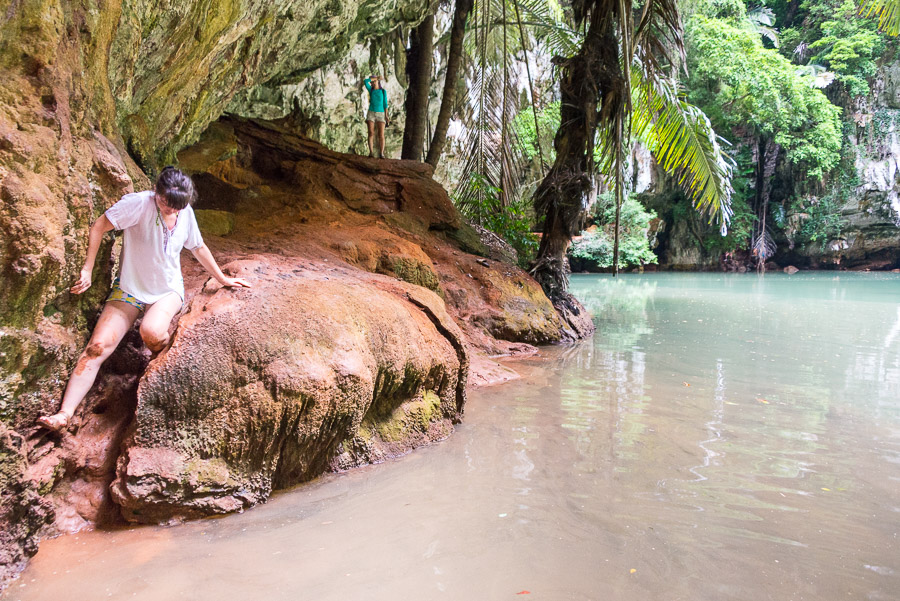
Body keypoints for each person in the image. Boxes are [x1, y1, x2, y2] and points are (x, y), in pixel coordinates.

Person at [36, 167, 251, 432]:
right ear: (156, 192)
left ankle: (160, 364)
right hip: (129, 288)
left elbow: (197, 246)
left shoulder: (184, 213)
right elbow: (99, 226)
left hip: (166, 289)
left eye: (177, 208)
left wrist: (222, 278)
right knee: (96, 347)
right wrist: (87, 268)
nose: (172, 211)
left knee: (151, 332)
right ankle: (64, 414)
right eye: (166, 204)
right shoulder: (137, 204)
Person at [364, 74, 390, 158]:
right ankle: (371, 152)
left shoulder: (383, 91)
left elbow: (385, 104)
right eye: (372, 82)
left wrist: (386, 115)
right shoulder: (371, 90)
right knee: (371, 133)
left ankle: (381, 153)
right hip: (371, 112)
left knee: (381, 135)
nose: (373, 83)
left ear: (378, 81)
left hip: (381, 114)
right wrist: (374, 78)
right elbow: (365, 81)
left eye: (374, 81)